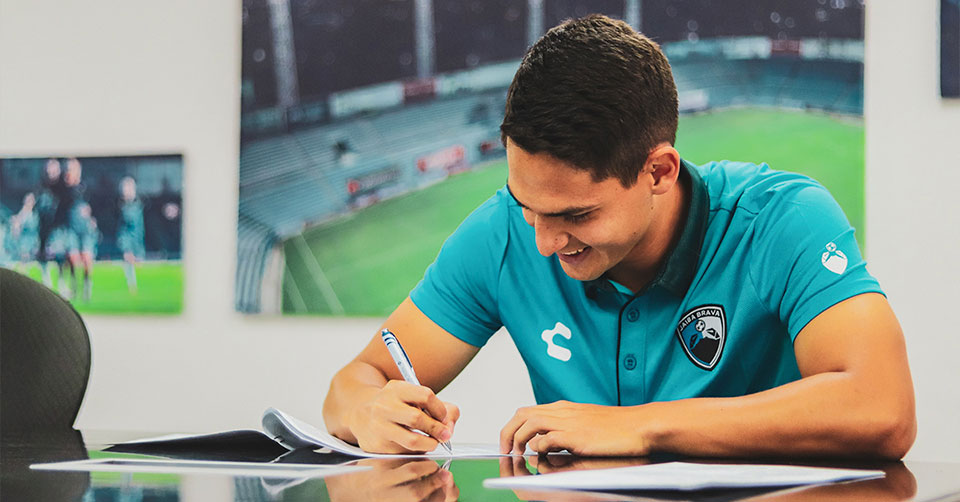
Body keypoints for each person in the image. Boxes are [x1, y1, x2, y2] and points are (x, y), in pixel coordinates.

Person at [323, 15, 916, 459]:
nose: (545, 242)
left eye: (576, 215)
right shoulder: (501, 233)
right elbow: (354, 383)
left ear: (658, 171)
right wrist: (370, 410)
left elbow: (883, 407)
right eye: (528, 207)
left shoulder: (782, 219)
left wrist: (640, 425)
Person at [116, 176, 145, 294]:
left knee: (138, 261)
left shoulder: (138, 204)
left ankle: (135, 283)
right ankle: (131, 284)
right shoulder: (121, 205)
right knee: (128, 257)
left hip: (136, 236)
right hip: (125, 236)